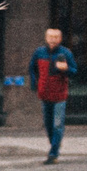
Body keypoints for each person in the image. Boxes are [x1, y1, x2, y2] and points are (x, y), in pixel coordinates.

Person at [25, 26, 73, 163]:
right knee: (48, 123)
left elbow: (74, 71)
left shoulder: (66, 53)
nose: (53, 40)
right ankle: (55, 143)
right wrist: (35, 84)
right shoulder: (39, 52)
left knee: (58, 124)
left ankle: (53, 154)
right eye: (50, 37)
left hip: (59, 95)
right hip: (45, 93)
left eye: (56, 37)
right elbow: (32, 68)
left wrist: (66, 69)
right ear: (46, 38)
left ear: (60, 39)